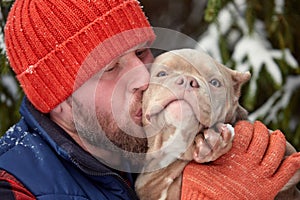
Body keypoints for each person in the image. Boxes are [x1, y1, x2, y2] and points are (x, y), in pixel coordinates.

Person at [0, 0, 299, 199]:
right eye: (110, 68)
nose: (144, 77)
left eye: (142, 52)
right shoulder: (16, 187)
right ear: (58, 102)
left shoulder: (179, 135)